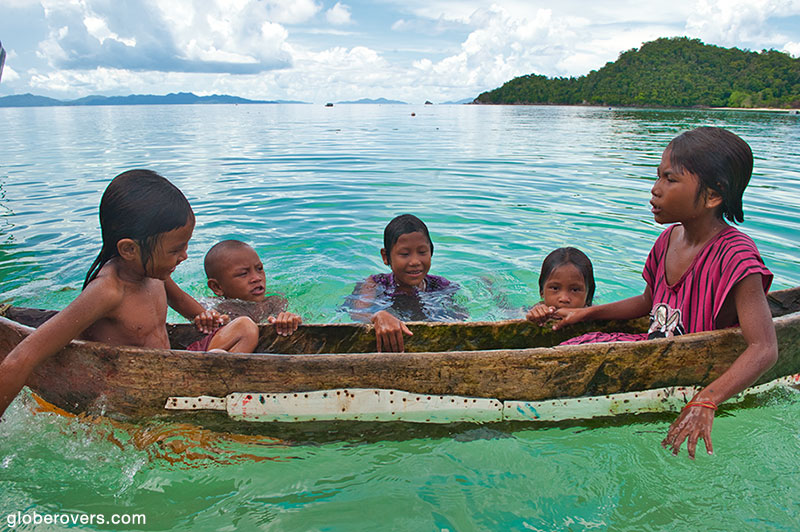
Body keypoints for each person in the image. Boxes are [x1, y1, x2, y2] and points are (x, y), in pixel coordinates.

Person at [550, 127, 778, 459]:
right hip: (656, 349)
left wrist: (706, 400)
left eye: (670, 180)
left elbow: (765, 348)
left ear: (714, 195)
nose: (655, 191)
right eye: (658, 178)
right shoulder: (668, 239)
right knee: (571, 345)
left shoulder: (736, 255)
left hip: (693, 370)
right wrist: (588, 313)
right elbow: (647, 302)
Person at [0, 170, 237, 419]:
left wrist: (205, 318)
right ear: (129, 249)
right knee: (220, 360)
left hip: (167, 373)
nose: (184, 256)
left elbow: (182, 303)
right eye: (176, 249)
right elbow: (21, 358)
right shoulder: (108, 291)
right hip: (133, 391)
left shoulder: (154, 273)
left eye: (186, 246)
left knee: (244, 328)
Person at [349, 214, 464, 352]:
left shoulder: (441, 286)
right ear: (386, 257)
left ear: (431, 252)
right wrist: (377, 316)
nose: (415, 262)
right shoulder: (376, 283)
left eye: (422, 252)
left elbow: (460, 316)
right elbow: (357, 312)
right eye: (404, 254)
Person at [188, 239, 302, 351]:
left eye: (259, 269)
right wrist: (206, 318)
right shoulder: (215, 306)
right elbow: (201, 316)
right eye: (243, 274)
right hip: (209, 349)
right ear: (217, 287)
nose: (257, 278)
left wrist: (290, 320)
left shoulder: (274, 302)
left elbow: (294, 322)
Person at [525, 247, 595, 325]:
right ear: (542, 292)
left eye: (575, 290)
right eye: (555, 288)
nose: (564, 299)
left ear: (588, 294)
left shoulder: (595, 315)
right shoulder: (531, 312)